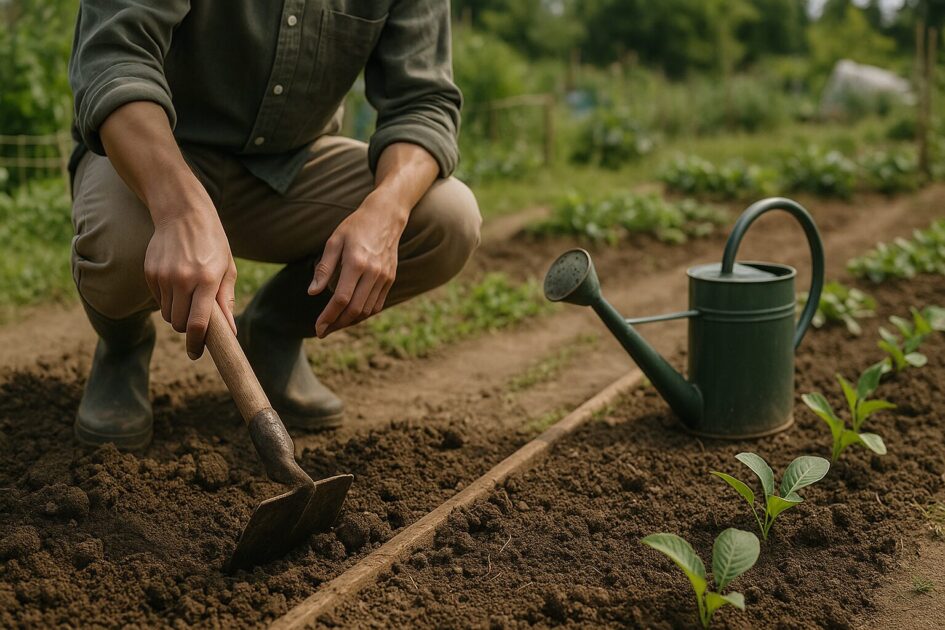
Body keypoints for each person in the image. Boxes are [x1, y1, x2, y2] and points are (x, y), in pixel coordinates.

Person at [68, 1, 481, 450]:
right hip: (159, 154)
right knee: (121, 245)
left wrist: (386, 209)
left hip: (292, 167)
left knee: (447, 218)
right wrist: (179, 210)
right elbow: (115, 60)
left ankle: (272, 329)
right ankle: (123, 346)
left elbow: (423, 102)